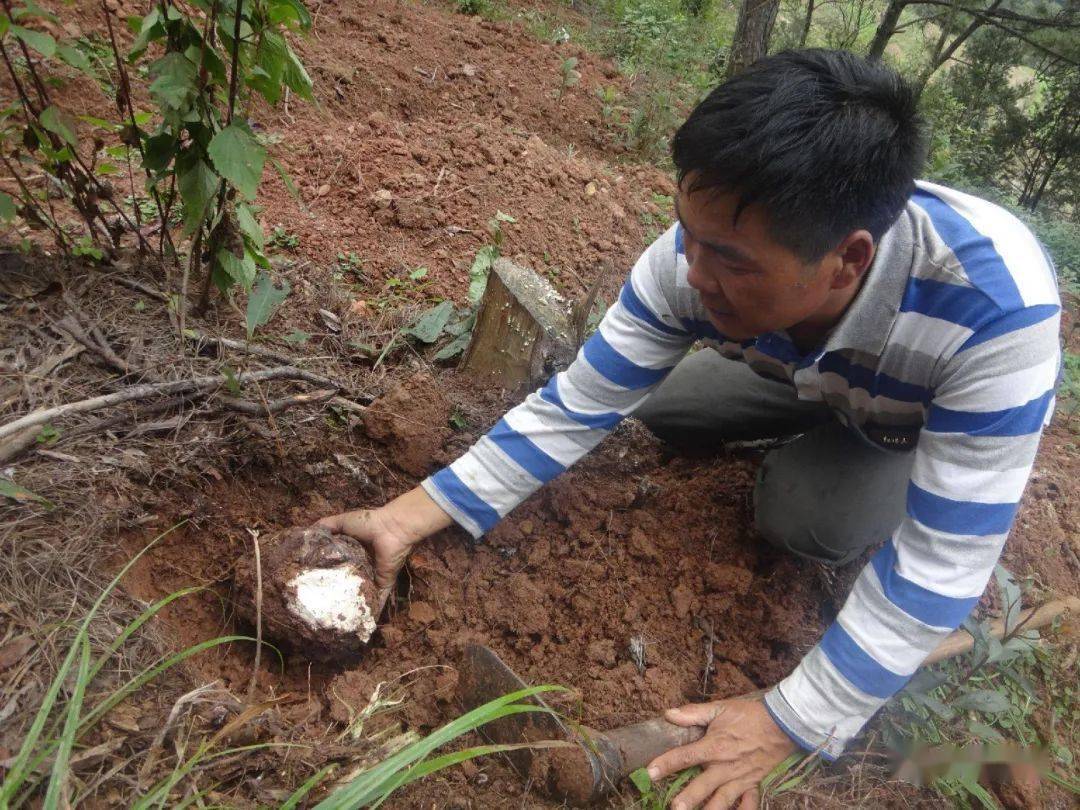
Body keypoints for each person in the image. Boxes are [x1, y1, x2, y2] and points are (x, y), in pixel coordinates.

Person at [318, 49, 1062, 810]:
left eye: (729, 260)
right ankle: (799, 390)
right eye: (687, 233)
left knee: (801, 513)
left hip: (903, 420)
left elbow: (942, 563)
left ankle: (850, 465)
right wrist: (408, 516)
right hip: (799, 365)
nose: (694, 271)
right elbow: (580, 401)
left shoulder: (997, 321)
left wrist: (791, 720)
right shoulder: (694, 260)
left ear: (848, 260)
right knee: (662, 404)